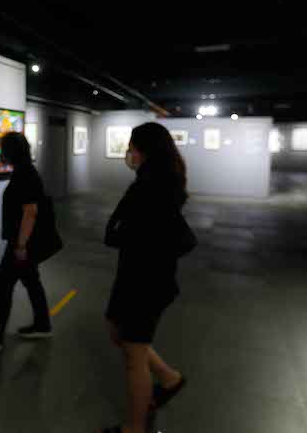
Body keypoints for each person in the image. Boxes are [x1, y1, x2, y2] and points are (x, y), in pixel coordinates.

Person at [100, 122, 194, 433]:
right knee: (124, 340)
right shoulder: (164, 183)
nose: (129, 153)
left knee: (133, 355)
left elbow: (124, 236)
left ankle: (134, 427)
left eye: (132, 147)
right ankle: (169, 379)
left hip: (143, 282)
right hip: (150, 278)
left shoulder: (148, 188)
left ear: (144, 151)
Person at [0, 132, 53, 352]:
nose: (0, 152)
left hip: (21, 243)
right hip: (22, 242)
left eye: (2, 148)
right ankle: (43, 324)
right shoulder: (25, 172)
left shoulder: (25, 175)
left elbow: (30, 212)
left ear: (10, 151)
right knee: (31, 281)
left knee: (2, 284)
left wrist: (21, 245)